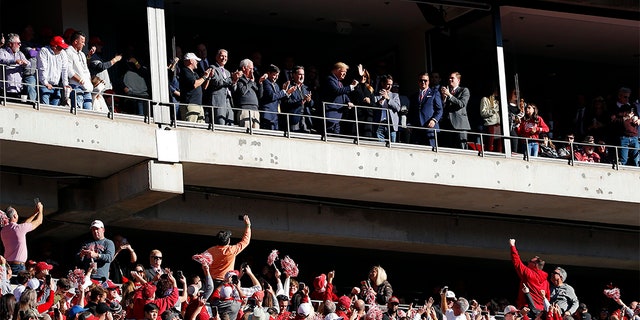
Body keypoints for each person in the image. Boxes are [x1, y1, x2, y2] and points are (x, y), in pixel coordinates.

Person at [206, 215, 252, 286]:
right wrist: (248, 225)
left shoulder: (210, 250)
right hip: (226, 282)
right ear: (228, 241)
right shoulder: (231, 250)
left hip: (212, 282)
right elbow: (245, 241)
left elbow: (200, 259)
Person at [0, 201, 43, 274]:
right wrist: (41, 210)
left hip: (8, 266)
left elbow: (23, 225)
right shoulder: (19, 228)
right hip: (18, 266)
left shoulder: (3, 231)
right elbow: (39, 221)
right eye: (16, 213)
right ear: (14, 216)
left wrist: (35, 213)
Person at [509, 238, 549, 312]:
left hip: (527, 309)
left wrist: (512, 246)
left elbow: (517, 262)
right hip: (541, 311)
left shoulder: (528, 273)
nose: (527, 262)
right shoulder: (546, 281)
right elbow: (547, 298)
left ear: (535, 265)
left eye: (530, 261)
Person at [321, 62, 357, 135]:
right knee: (330, 136)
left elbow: (343, 94)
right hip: (331, 115)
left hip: (337, 116)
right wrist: (351, 86)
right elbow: (337, 91)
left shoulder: (339, 82)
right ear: (337, 70)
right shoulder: (330, 79)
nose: (345, 74)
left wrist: (348, 101)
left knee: (336, 137)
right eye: (343, 72)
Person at [408, 72, 442, 147]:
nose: (423, 82)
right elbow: (411, 112)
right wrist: (409, 124)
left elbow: (439, 110)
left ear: (429, 81)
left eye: (425, 80)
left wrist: (434, 120)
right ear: (418, 82)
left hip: (429, 128)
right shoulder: (414, 96)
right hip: (416, 129)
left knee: (431, 151)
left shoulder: (434, 93)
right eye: (421, 80)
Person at [439, 72, 471, 149]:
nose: (450, 79)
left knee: (462, 148)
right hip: (447, 125)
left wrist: (449, 95)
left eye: (452, 78)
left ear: (458, 80)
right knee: (449, 148)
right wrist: (444, 98)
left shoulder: (464, 90)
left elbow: (461, 104)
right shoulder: (447, 91)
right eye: (449, 78)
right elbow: (442, 108)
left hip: (459, 125)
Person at [179, 52, 213, 122]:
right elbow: (195, 84)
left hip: (198, 106)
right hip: (190, 105)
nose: (197, 62)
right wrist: (204, 77)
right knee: (190, 129)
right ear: (191, 61)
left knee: (200, 130)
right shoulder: (185, 71)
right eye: (196, 60)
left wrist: (208, 77)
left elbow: (204, 87)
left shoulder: (195, 74)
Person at [259, 64, 295, 131]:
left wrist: (287, 93)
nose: (276, 77)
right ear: (268, 73)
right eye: (274, 75)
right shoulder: (266, 82)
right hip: (267, 115)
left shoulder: (276, 85)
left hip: (275, 116)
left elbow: (279, 100)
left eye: (277, 75)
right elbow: (272, 96)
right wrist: (283, 91)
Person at [37, 35, 70, 106]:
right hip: (45, 85)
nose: (62, 49)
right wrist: (45, 83)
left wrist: (65, 84)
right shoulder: (44, 51)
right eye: (60, 47)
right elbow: (42, 68)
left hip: (56, 86)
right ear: (54, 46)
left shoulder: (63, 53)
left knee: (55, 109)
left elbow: (65, 70)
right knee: (45, 109)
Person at [282, 65, 315, 133]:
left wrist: (309, 100)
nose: (302, 76)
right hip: (294, 118)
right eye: (300, 74)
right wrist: (301, 101)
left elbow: (312, 104)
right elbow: (286, 102)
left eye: (303, 74)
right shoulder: (289, 86)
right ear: (293, 75)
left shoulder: (306, 88)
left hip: (305, 119)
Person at [210, 49, 239, 126]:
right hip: (219, 101)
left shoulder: (227, 72)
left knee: (230, 124)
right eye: (222, 56)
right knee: (220, 124)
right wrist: (231, 79)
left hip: (228, 101)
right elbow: (216, 82)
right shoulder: (213, 68)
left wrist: (235, 81)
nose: (224, 58)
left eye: (226, 56)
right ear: (217, 57)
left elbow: (233, 89)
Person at [66, 31, 93, 110]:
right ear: (75, 41)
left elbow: (86, 70)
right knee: (79, 110)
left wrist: (89, 82)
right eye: (82, 42)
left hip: (87, 87)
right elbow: (69, 70)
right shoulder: (68, 52)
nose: (84, 44)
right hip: (76, 86)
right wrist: (80, 80)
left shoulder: (82, 54)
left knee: (89, 110)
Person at [234, 59, 265, 129]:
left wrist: (260, 83)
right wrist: (250, 82)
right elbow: (242, 91)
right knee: (246, 133)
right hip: (245, 110)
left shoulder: (251, 80)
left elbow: (260, 95)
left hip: (255, 110)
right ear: (244, 68)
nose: (252, 71)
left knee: (256, 135)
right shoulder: (239, 78)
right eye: (250, 69)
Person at [0, 33, 30, 102]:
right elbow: (2, 60)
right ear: (10, 44)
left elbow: (29, 64)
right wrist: (14, 61)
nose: (20, 45)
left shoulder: (20, 53)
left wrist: (26, 64)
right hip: (5, 88)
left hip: (18, 88)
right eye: (18, 43)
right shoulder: (2, 51)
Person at [350, 64, 376, 138]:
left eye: (365, 76)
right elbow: (356, 93)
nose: (363, 78)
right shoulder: (355, 85)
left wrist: (369, 102)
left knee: (366, 137)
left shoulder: (370, 89)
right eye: (361, 76)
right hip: (357, 115)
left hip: (367, 117)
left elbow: (374, 105)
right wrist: (359, 75)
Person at [374, 74, 401, 143]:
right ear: (382, 83)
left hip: (391, 124)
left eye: (391, 85)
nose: (389, 87)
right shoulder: (376, 95)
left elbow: (397, 108)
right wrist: (381, 99)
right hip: (380, 123)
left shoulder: (395, 95)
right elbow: (374, 108)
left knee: (392, 144)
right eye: (388, 84)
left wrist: (388, 98)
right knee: (380, 145)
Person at [479, 87, 502, 152]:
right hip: (490, 125)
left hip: (498, 125)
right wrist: (493, 110)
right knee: (489, 145)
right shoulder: (485, 99)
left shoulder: (497, 101)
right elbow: (483, 113)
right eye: (497, 90)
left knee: (499, 147)